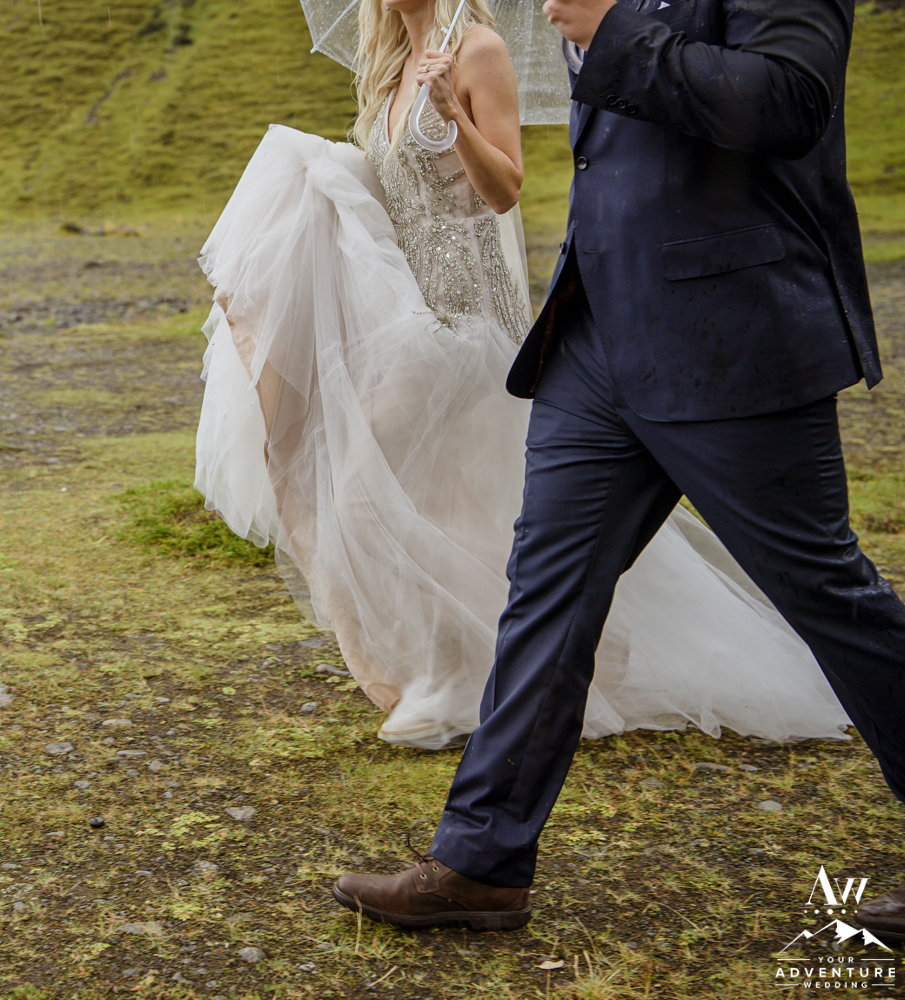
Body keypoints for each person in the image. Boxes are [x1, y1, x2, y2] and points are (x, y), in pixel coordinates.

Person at [330, 0, 905, 939]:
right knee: (545, 595)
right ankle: (480, 863)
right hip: (597, 337)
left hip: (733, 335)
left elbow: (790, 102)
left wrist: (610, 28)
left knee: (827, 595)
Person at [195, 0, 848, 760]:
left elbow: (505, 186)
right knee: (451, 502)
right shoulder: (387, 67)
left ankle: (468, 673)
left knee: (371, 488)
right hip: (407, 313)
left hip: (467, 319)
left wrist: (452, 114)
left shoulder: (476, 50)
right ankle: (483, 667)